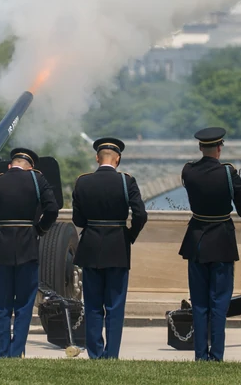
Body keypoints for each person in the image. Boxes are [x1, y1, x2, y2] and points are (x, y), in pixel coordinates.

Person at [178, 127, 241, 362]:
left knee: (199, 303)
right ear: (219, 147)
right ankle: (216, 354)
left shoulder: (188, 171)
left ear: (201, 147)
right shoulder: (228, 174)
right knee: (219, 302)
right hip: (221, 241)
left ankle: (200, 355)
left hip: (197, 241)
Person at [72, 137, 148, 359]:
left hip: (91, 247)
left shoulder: (83, 182)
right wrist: (129, 235)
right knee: (115, 305)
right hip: (118, 247)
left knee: (93, 304)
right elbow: (141, 214)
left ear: (97, 158)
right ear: (118, 159)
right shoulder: (126, 181)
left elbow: (78, 219)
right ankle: (112, 353)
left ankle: (95, 353)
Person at [0, 147, 59, 358]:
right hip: (28, 245)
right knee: (24, 304)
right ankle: (17, 352)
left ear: (10, 165)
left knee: (0, 303)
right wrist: (39, 229)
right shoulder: (37, 180)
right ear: (30, 167)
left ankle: (1, 352)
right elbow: (52, 209)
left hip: (2, 247)